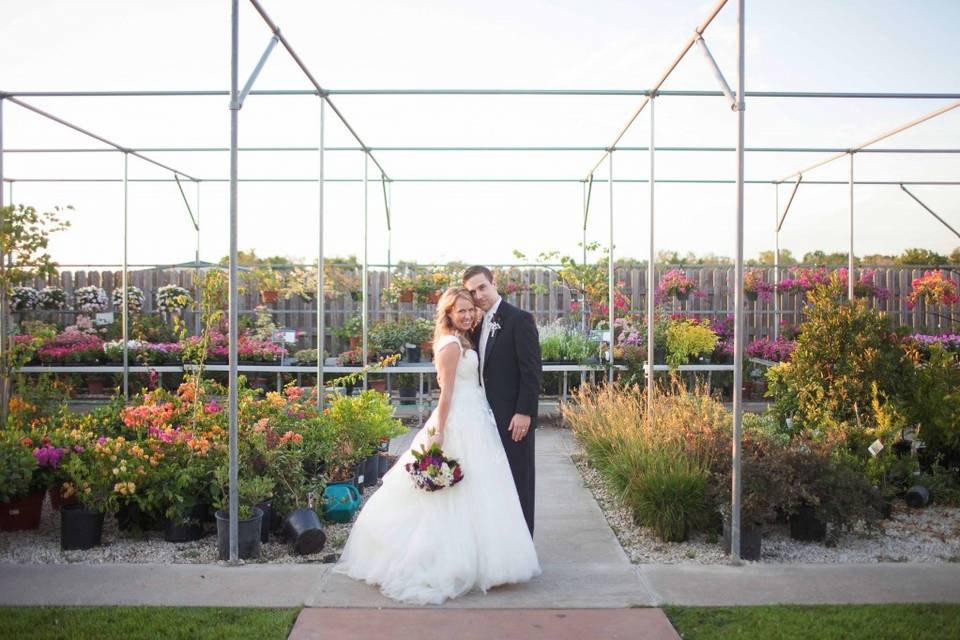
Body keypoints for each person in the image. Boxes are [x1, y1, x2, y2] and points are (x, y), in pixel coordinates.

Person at [334, 287, 540, 605]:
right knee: (451, 494)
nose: (469, 314)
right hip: (459, 419)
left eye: (471, 309)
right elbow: (445, 394)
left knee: (480, 490)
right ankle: (442, 561)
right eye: (461, 311)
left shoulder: (467, 338)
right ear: (448, 314)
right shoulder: (450, 345)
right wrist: (439, 432)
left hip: (477, 418)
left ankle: (483, 558)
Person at [462, 265, 541, 535]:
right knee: (495, 484)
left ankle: (524, 544)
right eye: (472, 291)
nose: (479, 294)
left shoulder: (519, 319)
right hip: (483, 417)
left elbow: (531, 370)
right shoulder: (477, 325)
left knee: (519, 479)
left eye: (482, 287)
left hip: (513, 418)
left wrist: (524, 412)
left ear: (494, 283)